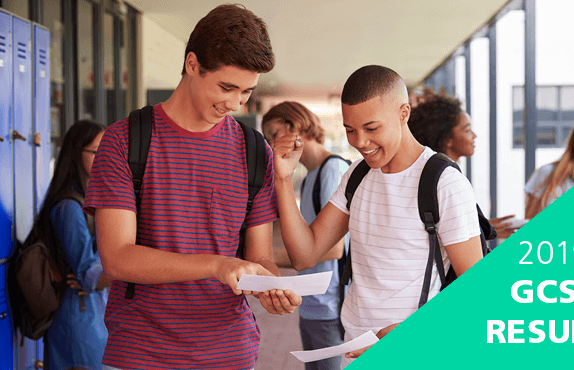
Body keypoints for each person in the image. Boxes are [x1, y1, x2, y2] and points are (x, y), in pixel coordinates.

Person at [83, 5, 301, 370]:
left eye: (246, 92)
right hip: (142, 353)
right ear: (193, 64)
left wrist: (270, 287)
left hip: (230, 352)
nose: (234, 104)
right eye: (226, 87)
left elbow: (259, 256)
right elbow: (117, 257)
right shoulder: (124, 140)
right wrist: (217, 265)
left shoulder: (253, 150)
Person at [271, 65, 483, 367]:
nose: (359, 141)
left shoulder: (443, 182)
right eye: (350, 130)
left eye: (371, 128)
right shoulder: (357, 175)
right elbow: (306, 254)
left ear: (403, 113)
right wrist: (283, 179)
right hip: (354, 349)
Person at [262, 101, 349, 370]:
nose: (271, 145)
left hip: (330, 305)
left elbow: (334, 249)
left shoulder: (332, 169)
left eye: (274, 135)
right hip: (312, 302)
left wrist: (267, 258)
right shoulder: (310, 175)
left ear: (296, 127)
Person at [28, 120, 111, 370]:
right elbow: (91, 277)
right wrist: (128, 274)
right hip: (78, 323)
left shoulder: (90, 200)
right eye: (98, 152)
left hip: (92, 317)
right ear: (77, 152)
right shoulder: (69, 208)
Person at [408, 94, 520, 239]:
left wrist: (481, 228)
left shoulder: (430, 173)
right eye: (467, 130)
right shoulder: (447, 179)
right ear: (447, 139)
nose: (474, 135)